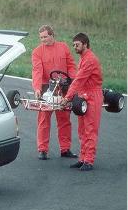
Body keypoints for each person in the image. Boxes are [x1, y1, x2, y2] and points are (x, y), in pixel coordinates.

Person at [32, 25, 77, 160]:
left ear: (52, 35)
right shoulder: (37, 52)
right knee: (43, 120)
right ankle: (42, 150)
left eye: (45, 37)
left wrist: (74, 82)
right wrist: (37, 88)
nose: (43, 40)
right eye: (41, 37)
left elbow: (71, 66)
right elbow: (37, 71)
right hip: (47, 89)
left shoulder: (63, 47)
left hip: (64, 88)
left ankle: (65, 149)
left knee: (64, 120)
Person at [60, 33, 103, 171]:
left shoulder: (90, 59)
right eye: (73, 45)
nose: (75, 47)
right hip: (83, 95)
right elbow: (79, 81)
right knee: (82, 130)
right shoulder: (83, 58)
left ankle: (89, 161)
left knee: (90, 129)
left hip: (93, 95)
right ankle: (82, 158)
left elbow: (78, 80)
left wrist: (67, 98)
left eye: (77, 45)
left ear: (85, 44)